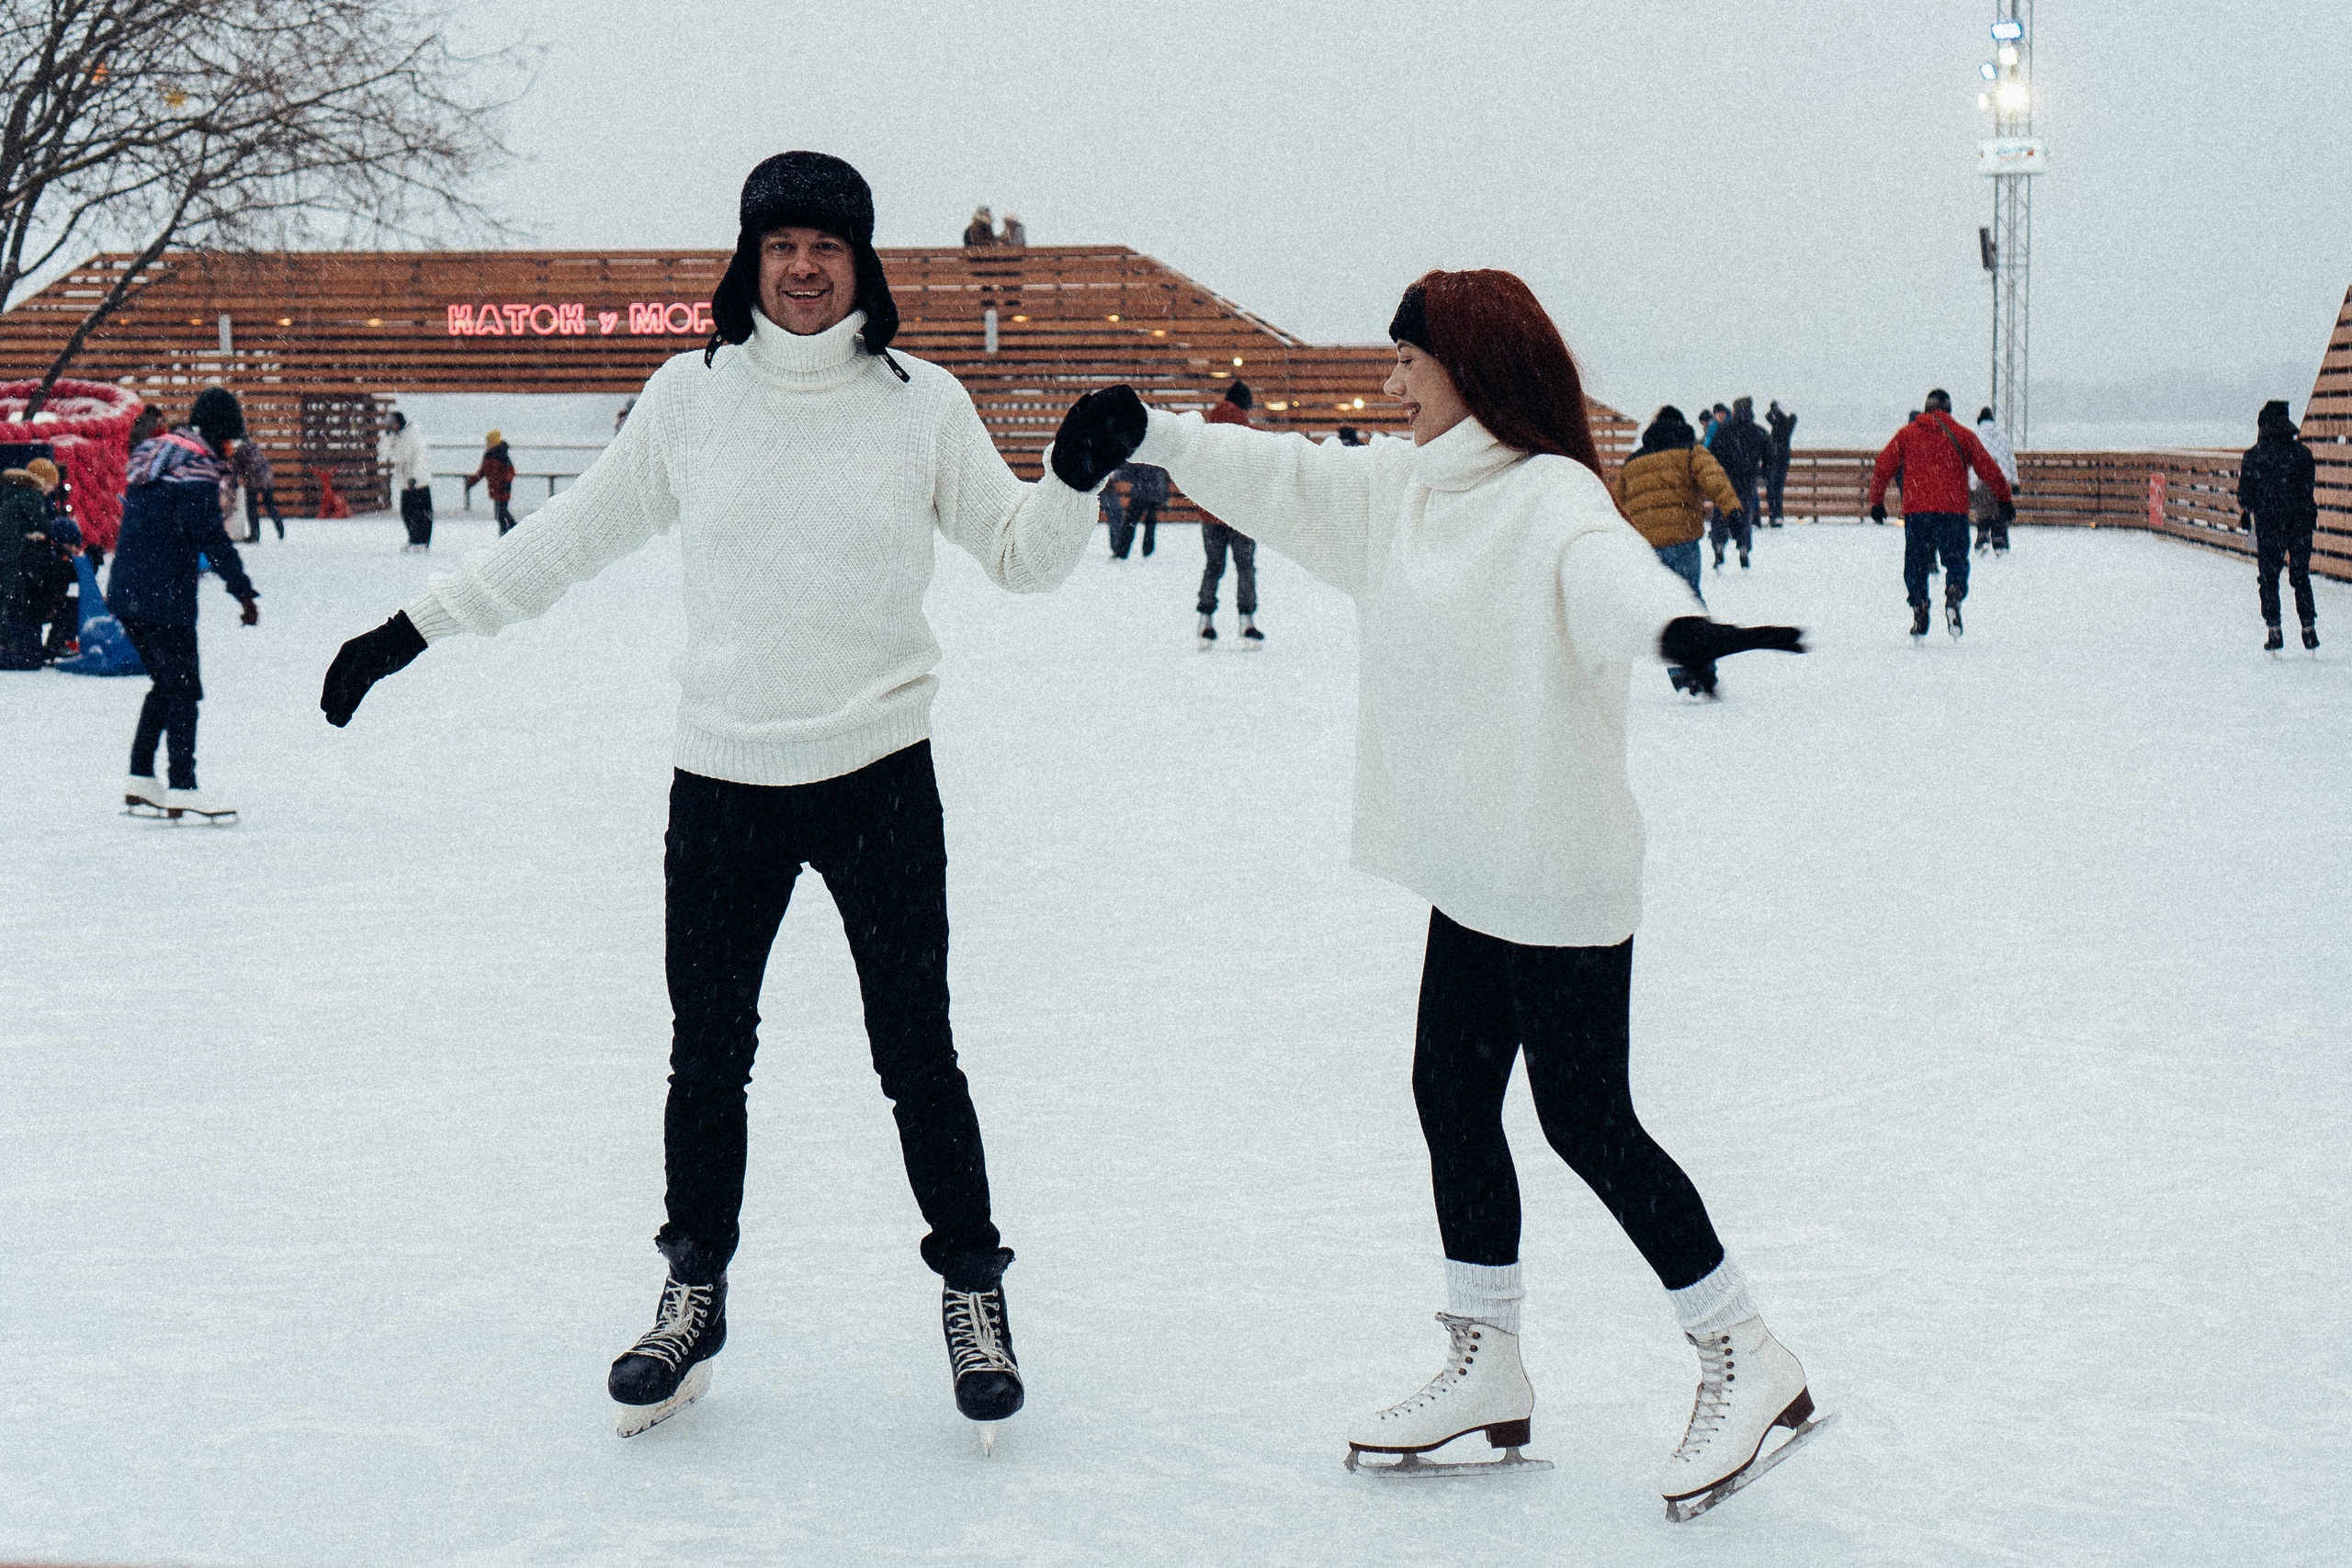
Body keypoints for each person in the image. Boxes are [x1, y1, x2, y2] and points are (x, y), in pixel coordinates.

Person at [319, 151, 1112, 1443]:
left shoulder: (923, 403)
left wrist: (1071, 482)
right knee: (708, 1054)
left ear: (864, 265)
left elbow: (1021, 557)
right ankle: (693, 1293)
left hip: (879, 773)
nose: (803, 267)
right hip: (726, 779)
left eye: (828, 246)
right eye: (781, 243)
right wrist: (409, 630)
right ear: (748, 259)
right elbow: (563, 543)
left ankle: (975, 1291)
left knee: (918, 1050)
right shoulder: (689, 396)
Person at [1060, 269, 1815, 1512]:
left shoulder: (1551, 497)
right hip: (1471, 865)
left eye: (1412, 359)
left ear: (1471, 363)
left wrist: (1677, 627)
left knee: (1587, 1121)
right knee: (1449, 1093)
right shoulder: (1405, 493)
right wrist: (1154, 433)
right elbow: (1288, 476)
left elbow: (1606, 575)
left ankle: (1744, 1346)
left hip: (1559, 868)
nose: (1394, 379)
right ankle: (1489, 1353)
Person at [107, 387, 260, 822]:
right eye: (231, 438)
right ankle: (183, 786)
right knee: (184, 688)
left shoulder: (157, 456)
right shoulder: (195, 469)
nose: (232, 448)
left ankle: (140, 778)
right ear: (216, 433)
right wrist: (243, 591)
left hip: (129, 591)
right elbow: (210, 536)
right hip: (163, 595)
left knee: (166, 684)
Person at [1608, 406, 1745, 694]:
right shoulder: (1690, 450)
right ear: (1681, 426)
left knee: (1665, 607)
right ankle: (1704, 667)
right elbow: (1715, 480)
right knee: (1691, 599)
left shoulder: (1633, 462)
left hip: (1647, 546)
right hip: (1682, 539)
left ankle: (1681, 673)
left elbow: (1615, 504)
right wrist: (1733, 511)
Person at [1869, 391, 2013, 638]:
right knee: (1955, 560)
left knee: (1916, 562)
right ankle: (1954, 594)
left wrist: (1876, 502)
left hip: (1918, 511)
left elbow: (1883, 466)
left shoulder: (1907, 434)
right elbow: (1989, 469)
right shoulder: (1964, 435)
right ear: (1949, 409)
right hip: (1953, 510)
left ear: (1925, 409)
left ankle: (1919, 607)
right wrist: (2004, 499)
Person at [2237, 399, 2320, 653]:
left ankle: (2274, 631)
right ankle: (2308, 629)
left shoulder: (2254, 456)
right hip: (2301, 523)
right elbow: (2308, 488)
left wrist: (2252, 510)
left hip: (2270, 525)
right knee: (2300, 576)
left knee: (2269, 578)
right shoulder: (2303, 454)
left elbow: (2245, 496)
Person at [1195, 381, 1261, 648]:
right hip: (1241, 514)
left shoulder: (1205, 432)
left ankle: (1205, 621)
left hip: (1211, 512)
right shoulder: (1250, 433)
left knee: (1213, 567)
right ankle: (1247, 621)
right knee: (1245, 568)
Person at [1707, 398, 1772, 571]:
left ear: (1734, 411)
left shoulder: (1723, 430)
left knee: (1722, 513)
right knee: (1745, 515)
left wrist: (1716, 472)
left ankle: (1719, 545)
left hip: (1725, 480)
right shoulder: (1758, 432)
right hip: (1747, 480)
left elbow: (1711, 454)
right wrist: (1762, 473)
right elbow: (1770, 456)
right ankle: (1744, 549)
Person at [380, 411, 433, 550]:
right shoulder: (394, 437)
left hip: (419, 482)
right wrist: (386, 436)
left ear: (399, 422)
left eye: (393, 424)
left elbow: (420, 457)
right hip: (404, 482)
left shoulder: (413, 435)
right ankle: (413, 538)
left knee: (421, 513)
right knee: (407, 512)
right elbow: (384, 454)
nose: (392, 427)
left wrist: (414, 476)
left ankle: (423, 541)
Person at [1970, 409, 2018, 555]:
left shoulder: (1975, 436)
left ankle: (1983, 538)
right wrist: (2014, 482)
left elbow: (1970, 464)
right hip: (2001, 480)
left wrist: (1971, 485)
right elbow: (2011, 461)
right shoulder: (2004, 437)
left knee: (1983, 511)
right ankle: (2000, 543)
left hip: (1981, 480)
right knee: (1999, 512)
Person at [231, 436, 285, 542]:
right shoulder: (250, 445)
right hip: (266, 476)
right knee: (269, 504)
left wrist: (235, 484)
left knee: (251, 507)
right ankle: (280, 528)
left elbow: (236, 468)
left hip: (254, 478)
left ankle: (254, 535)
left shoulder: (239, 450)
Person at [467, 430, 519, 536]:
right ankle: (512, 529)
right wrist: (471, 482)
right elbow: (483, 471)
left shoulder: (502, 455)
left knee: (501, 512)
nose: (487, 444)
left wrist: (506, 482)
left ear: (494, 442)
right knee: (500, 512)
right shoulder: (488, 456)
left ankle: (508, 531)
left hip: (503, 488)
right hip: (495, 488)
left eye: (489, 442)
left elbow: (511, 471)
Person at [1114, 460, 1166, 558]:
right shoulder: (1156, 458)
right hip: (1155, 494)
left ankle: (1122, 551)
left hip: (1140, 494)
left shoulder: (1140, 457)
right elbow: (1162, 476)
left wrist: (1120, 472)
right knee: (1150, 523)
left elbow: (1128, 473)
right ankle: (1148, 549)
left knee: (1130, 523)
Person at [1765, 400, 1797, 526]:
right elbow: (1793, 416)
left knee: (1773, 488)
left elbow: (1767, 416)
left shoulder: (1778, 424)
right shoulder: (1787, 424)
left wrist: (1775, 410)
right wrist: (1781, 410)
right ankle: (1777, 514)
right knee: (1777, 488)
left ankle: (1775, 514)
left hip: (1775, 460)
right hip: (1782, 460)